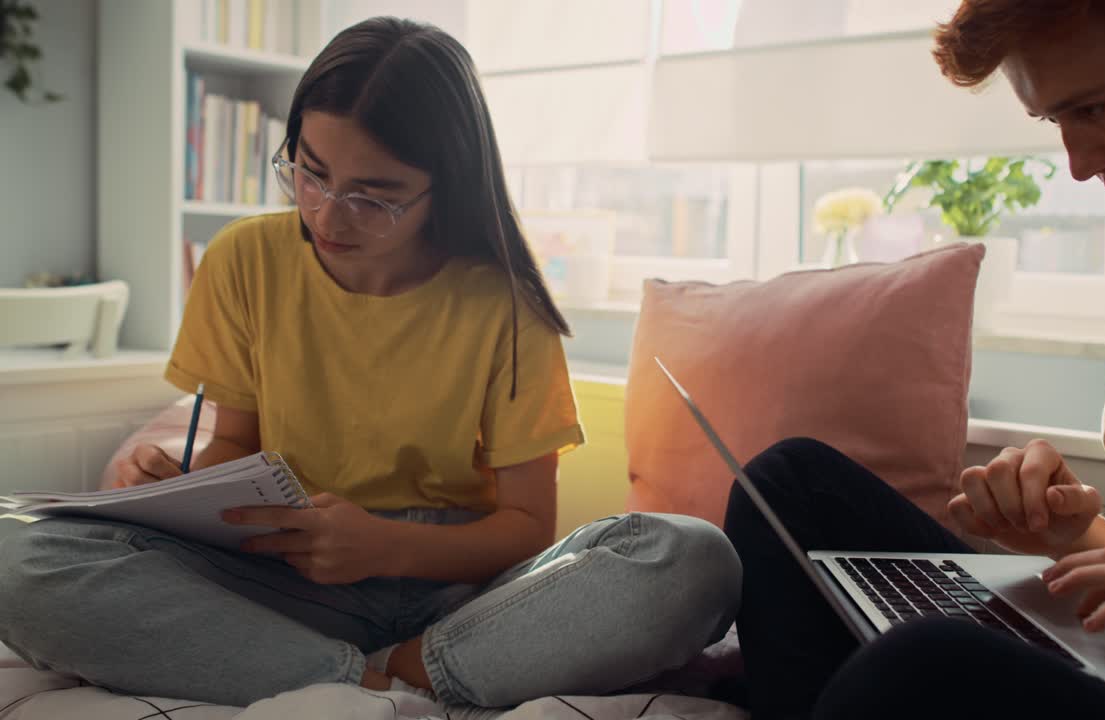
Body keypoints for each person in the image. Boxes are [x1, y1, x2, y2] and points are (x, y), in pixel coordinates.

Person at [0, 17, 740, 709]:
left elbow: (526, 526)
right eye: (311, 173)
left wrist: (386, 544)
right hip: (284, 570)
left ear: (443, 187)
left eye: (373, 196)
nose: (327, 214)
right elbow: (235, 445)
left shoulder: (504, 304)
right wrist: (174, 476)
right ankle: (372, 680)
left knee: (691, 558)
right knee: (15, 552)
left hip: (461, 592)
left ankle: (404, 665)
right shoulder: (242, 262)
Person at [724, 1, 1105, 718]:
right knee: (789, 486)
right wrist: (1063, 535)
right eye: (1057, 123)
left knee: (926, 662)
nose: (1079, 165)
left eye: (1095, 107)